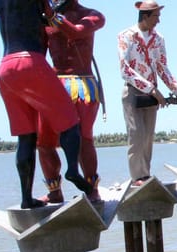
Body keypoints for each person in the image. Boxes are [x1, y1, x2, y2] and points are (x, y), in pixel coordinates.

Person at [0, 0, 93, 209]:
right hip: (30, 61)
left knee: (26, 136)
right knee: (71, 122)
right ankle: (73, 170)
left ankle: (26, 199)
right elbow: (49, 14)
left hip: (5, 67)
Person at [118, 0, 177, 186]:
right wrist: (152, 89)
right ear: (145, 16)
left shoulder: (158, 39)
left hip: (153, 94)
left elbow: (162, 68)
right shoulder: (126, 36)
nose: (158, 21)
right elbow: (125, 70)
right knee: (136, 134)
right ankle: (137, 178)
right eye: (156, 17)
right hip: (134, 91)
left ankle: (145, 175)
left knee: (148, 136)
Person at [37, 0, 104, 203]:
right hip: (55, 84)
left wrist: (51, 15)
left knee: (84, 137)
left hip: (82, 84)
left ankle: (92, 190)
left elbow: (75, 31)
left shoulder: (93, 15)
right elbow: (39, 53)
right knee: (44, 141)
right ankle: (54, 191)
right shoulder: (45, 20)